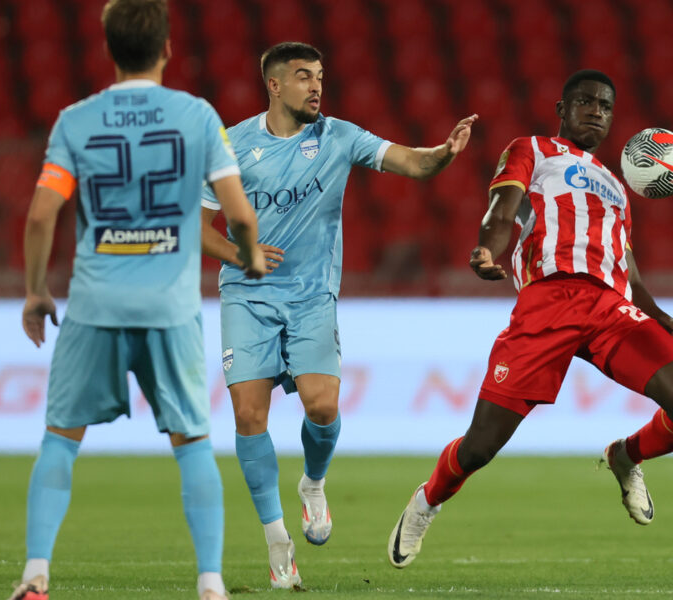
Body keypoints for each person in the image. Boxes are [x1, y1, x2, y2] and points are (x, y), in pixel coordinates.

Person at [387, 69, 673, 569]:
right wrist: (486, 248)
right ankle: (427, 501)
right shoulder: (533, 149)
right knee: (479, 447)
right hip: (548, 302)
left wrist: (665, 320)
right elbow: (503, 211)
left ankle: (625, 456)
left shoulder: (617, 186)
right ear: (561, 110)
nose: (596, 111)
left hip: (612, 310)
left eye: (605, 106)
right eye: (585, 102)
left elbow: (625, 267)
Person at [8, 1, 267, 599]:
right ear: (167, 47)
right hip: (169, 311)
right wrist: (249, 254)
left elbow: (43, 211)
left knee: (59, 439)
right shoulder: (197, 116)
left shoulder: (76, 119)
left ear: (109, 48)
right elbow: (237, 213)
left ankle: (35, 575)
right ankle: (210, 583)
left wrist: (34, 290)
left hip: (95, 305)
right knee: (193, 444)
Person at [198, 41, 476, 589]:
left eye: (320, 76)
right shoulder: (230, 145)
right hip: (247, 295)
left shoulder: (339, 136)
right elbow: (198, 228)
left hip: (311, 297)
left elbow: (412, 162)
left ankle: (313, 483)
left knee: (322, 406)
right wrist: (242, 255)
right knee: (249, 417)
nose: (316, 86)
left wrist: (443, 153)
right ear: (274, 86)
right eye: (303, 77)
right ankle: (278, 540)